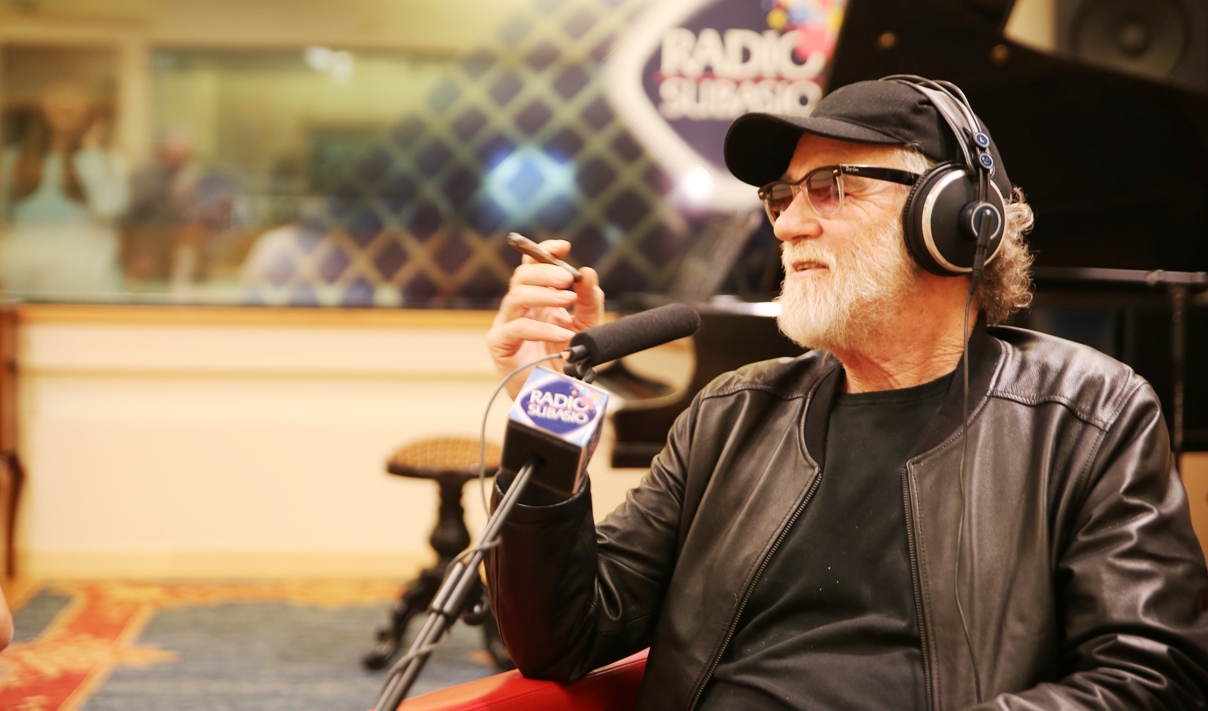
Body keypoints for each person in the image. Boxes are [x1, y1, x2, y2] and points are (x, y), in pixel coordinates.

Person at [483, 77, 1208, 710]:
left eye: (831, 187)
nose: (789, 224)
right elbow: (560, 637)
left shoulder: (1088, 416)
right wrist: (549, 409)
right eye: (781, 196)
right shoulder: (729, 416)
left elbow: (1152, 677)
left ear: (950, 217)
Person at [0, 81, 130, 297]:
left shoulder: (106, 162)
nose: (65, 107)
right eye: (57, 99)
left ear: (90, 113)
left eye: (74, 101)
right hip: (27, 283)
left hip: (85, 284)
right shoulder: (13, 162)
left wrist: (89, 154)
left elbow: (109, 208)